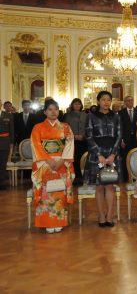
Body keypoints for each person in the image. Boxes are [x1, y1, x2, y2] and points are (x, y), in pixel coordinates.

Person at [30, 99, 74, 233]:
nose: (53, 112)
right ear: (45, 112)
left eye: (56, 109)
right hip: (44, 164)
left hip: (61, 162)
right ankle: (46, 221)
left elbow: (70, 144)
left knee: (59, 191)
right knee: (45, 192)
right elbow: (35, 145)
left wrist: (62, 160)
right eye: (50, 109)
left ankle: (59, 220)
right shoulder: (38, 127)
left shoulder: (66, 127)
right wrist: (48, 160)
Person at [84, 91, 123, 227]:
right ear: (98, 101)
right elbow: (89, 136)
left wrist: (113, 155)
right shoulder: (91, 116)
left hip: (112, 155)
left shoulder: (116, 117)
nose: (106, 102)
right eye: (103, 99)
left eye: (108, 100)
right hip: (97, 155)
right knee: (100, 187)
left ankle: (110, 216)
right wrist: (99, 155)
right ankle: (101, 215)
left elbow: (119, 136)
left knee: (110, 186)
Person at [119, 96, 137, 182]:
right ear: (125, 102)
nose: (130, 102)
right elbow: (120, 127)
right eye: (128, 101)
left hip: (136, 138)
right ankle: (127, 177)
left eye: (131, 100)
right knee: (126, 157)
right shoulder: (121, 113)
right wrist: (121, 140)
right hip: (125, 139)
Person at [63, 98, 88, 182]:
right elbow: (66, 127)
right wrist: (73, 136)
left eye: (79, 104)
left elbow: (87, 127)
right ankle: (73, 177)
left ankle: (82, 177)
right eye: (75, 104)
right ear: (72, 105)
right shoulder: (67, 115)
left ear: (81, 105)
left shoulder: (85, 115)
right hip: (71, 141)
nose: (77, 105)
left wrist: (83, 136)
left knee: (82, 158)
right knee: (73, 159)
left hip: (83, 141)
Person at [0, 99, 14, 190]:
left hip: (4, 142)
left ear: (0, 104)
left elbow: (11, 129)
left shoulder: (8, 115)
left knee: (2, 163)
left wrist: (11, 142)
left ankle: (1, 182)